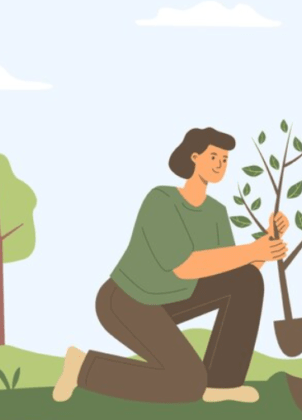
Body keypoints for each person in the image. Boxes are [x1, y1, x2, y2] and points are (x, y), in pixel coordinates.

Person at [52, 127, 289, 404]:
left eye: (225, 159)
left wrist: (267, 241)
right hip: (127, 300)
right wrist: (252, 250)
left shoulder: (216, 212)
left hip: (171, 298)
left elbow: (232, 276)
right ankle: (82, 368)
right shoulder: (161, 201)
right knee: (187, 383)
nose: (220, 164)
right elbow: (184, 267)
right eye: (213, 156)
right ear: (194, 157)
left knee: (247, 281)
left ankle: (223, 384)